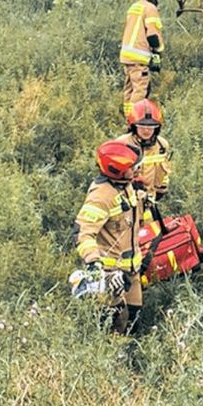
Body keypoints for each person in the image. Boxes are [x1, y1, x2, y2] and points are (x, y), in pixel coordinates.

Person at [72, 139, 148, 334]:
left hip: (131, 272)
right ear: (117, 171)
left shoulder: (126, 185)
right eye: (133, 168)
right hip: (111, 275)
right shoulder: (101, 196)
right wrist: (94, 264)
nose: (137, 170)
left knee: (134, 321)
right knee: (114, 325)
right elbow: (83, 232)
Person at [120, 0, 166, 117]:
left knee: (130, 89)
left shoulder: (135, 7)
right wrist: (158, 53)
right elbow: (152, 35)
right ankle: (135, 119)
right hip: (139, 57)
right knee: (140, 90)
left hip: (127, 56)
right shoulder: (150, 8)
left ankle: (127, 117)